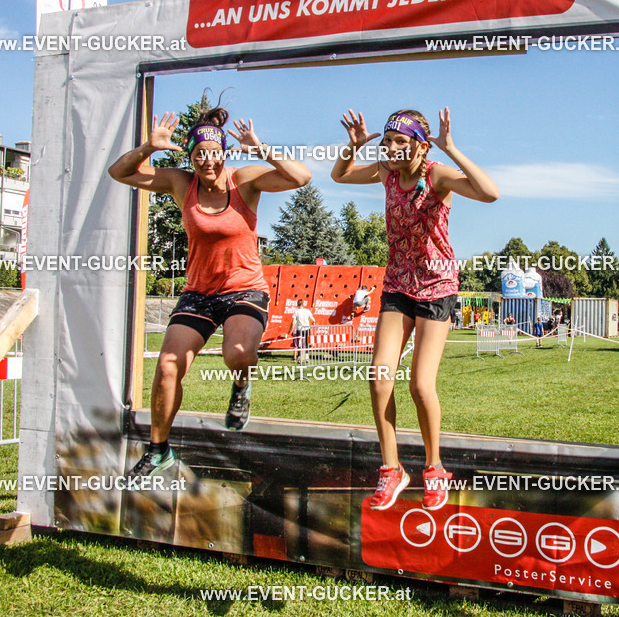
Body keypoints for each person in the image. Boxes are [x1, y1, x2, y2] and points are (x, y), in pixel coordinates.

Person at [109, 106, 311, 478]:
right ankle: (159, 450)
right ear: (191, 157)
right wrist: (149, 147)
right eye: (199, 154)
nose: (207, 161)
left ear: (224, 154)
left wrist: (261, 148)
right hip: (199, 293)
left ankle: (241, 386)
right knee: (167, 367)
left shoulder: (243, 181)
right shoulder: (180, 183)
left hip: (244, 289)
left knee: (238, 354)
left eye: (214, 153)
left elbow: (301, 176)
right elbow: (118, 172)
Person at [332, 107, 499, 511]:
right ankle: (391, 469)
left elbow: (489, 193)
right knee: (379, 377)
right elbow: (340, 175)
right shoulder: (386, 173)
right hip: (397, 285)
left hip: (437, 287)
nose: (390, 148)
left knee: (420, 385)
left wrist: (451, 149)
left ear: (421, 147)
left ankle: (434, 467)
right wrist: (354, 147)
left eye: (400, 142)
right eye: (387, 140)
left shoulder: (437, 175)